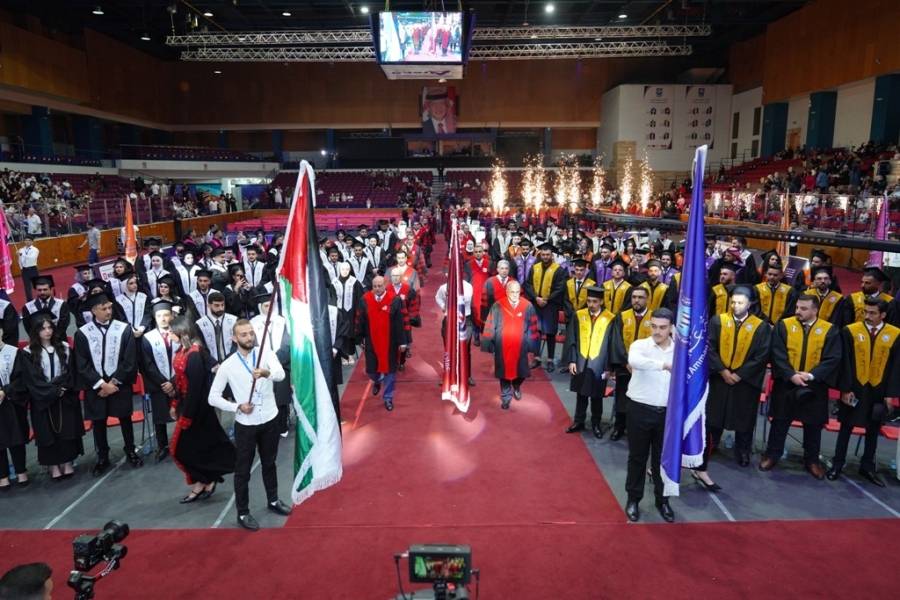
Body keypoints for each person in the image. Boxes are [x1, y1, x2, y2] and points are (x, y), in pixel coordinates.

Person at [208, 319, 292, 530]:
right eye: (243, 334)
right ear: (234, 338)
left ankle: (273, 499)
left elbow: (280, 374)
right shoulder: (228, 365)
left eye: (251, 333)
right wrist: (237, 406)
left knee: (269, 463)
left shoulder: (266, 353)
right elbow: (213, 397)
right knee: (243, 470)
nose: (249, 337)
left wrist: (266, 373)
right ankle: (243, 512)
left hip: (270, 418)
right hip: (246, 424)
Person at [760, 295, 841, 479]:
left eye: (803, 309)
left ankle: (812, 460)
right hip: (786, 383)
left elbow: (833, 358)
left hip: (815, 386)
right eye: (797, 307)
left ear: (815, 310)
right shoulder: (784, 325)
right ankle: (772, 454)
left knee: (813, 425)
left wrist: (811, 375)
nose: (798, 311)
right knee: (780, 421)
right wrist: (791, 375)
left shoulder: (829, 330)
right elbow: (777, 353)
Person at [826, 298, 900, 486]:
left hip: (879, 390)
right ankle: (837, 463)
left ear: (883, 315)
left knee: (873, 430)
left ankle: (867, 467)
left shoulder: (895, 334)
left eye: (872, 313)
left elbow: (896, 367)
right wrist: (845, 389)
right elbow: (844, 362)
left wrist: (890, 394)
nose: (867, 316)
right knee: (846, 428)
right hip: (855, 388)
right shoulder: (850, 331)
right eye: (866, 312)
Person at [702, 287, 770, 474]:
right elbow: (709, 347)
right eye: (733, 302)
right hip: (719, 377)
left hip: (745, 381)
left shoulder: (761, 326)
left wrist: (739, 375)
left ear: (749, 304)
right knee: (714, 415)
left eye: (740, 303)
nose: (735, 306)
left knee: (744, 417)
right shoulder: (718, 321)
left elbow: (762, 356)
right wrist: (723, 371)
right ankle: (710, 445)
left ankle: (743, 450)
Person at [168, 315, 235, 504]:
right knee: (195, 448)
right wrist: (175, 404)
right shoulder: (182, 351)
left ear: (181, 331)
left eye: (172, 331)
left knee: (183, 449)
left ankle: (204, 480)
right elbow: (180, 382)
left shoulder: (195, 354)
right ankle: (205, 480)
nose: (169, 334)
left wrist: (187, 415)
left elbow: (195, 388)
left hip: (198, 410)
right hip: (187, 405)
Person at [74, 292, 142, 475]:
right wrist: (101, 384)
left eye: (110, 307)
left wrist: (113, 382)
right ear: (94, 310)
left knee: (125, 418)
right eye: (103, 308)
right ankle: (102, 456)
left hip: (119, 383)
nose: (108, 311)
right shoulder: (83, 333)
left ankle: (130, 450)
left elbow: (129, 360)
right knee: (99, 421)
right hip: (96, 387)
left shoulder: (123, 329)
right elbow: (82, 364)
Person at [623, 308, 676, 524]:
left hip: (668, 414)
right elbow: (635, 361)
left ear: (671, 328)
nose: (657, 331)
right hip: (639, 409)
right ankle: (633, 499)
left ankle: (662, 501)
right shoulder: (640, 346)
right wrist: (664, 365)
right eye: (653, 326)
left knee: (662, 461)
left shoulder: (680, 351)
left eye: (662, 327)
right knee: (637, 457)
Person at [21, 315, 84, 481]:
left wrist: (62, 388)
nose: (47, 331)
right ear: (36, 331)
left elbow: (71, 372)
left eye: (50, 327)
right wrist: (54, 390)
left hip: (64, 397)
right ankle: (53, 465)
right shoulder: (28, 353)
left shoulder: (64, 347)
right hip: (43, 400)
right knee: (47, 432)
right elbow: (32, 379)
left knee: (67, 429)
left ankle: (67, 462)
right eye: (43, 328)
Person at [564, 286, 614, 438]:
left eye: (595, 301)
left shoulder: (610, 318)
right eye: (589, 301)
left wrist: (609, 368)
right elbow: (572, 338)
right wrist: (572, 360)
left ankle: (596, 424)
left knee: (597, 396)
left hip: (599, 363)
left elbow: (612, 345)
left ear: (601, 302)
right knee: (581, 393)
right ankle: (578, 421)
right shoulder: (579, 315)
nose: (591, 304)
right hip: (581, 361)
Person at [481, 280, 540, 409]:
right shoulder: (498, 305)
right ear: (507, 292)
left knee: (522, 371)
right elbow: (491, 324)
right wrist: (488, 343)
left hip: (521, 345)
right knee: (503, 372)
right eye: (512, 292)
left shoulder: (527, 306)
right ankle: (506, 397)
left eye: (517, 292)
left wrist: (533, 346)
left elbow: (533, 327)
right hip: (502, 345)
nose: (514, 295)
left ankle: (517, 384)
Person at [357, 276, 409, 411]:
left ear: (385, 285)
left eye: (380, 286)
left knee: (390, 371)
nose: (377, 289)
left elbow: (399, 323)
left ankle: (388, 397)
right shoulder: (365, 300)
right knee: (371, 371)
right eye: (374, 286)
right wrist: (359, 338)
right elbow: (361, 320)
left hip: (390, 342)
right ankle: (378, 380)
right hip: (371, 341)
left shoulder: (394, 300)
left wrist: (402, 342)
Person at [608, 287, 653, 441]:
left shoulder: (654, 318)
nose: (636, 300)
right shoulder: (622, 316)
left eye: (640, 297)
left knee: (641, 401)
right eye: (634, 297)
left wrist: (642, 364)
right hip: (625, 367)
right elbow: (617, 341)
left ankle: (637, 430)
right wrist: (627, 362)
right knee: (622, 398)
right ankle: (619, 427)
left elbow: (655, 344)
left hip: (645, 369)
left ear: (647, 299)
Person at [140, 301, 178, 462]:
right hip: (158, 385)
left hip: (178, 382)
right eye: (159, 315)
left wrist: (173, 382)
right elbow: (147, 364)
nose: (163, 318)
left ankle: (185, 442)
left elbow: (185, 358)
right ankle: (163, 446)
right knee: (160, 416)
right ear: (155, 318)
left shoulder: (179, 334)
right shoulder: (148, 338)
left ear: (172, 316)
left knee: (183, 413)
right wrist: (164, 383)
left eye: (166, 315)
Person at [250, 293, 292, 437]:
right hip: (262, 367)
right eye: (265, 306)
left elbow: (287, 343)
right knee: (266, 397)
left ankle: (283, 425)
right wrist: (266, 363)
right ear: (260, 307)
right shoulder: (253, 323)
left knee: (281, 398)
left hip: (281, 364)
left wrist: (275, 361)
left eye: (270, 305)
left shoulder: (282, 321)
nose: (269, 308)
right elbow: (254, 345)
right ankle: (268, 427)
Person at [524, 243, 567, 371]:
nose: (545, 257)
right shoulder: (535, 268)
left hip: (551, 305)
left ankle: (550, 360)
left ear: (552, 255)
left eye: (548, 254)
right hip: (536, 303)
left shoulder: (558, 270)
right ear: (540, 255)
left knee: (550, 333)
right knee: (536, 332)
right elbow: (528, 284)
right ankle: (536, 357)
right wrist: (535, 297)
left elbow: (560, 288)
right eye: (543, 254)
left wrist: (547, 299)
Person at [0, 324, 28, 490]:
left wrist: (5, 391)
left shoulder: (14, 352)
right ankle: (2, 475)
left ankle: (21, 471)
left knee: (16, 437)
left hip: (12, 401)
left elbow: (21, 378)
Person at [435, 275, 475, 387]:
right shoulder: (444, 287)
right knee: (448, 349)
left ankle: (467, 376)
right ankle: (447, 375)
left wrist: (453, 298)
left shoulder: (468, 286)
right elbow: (438, 297)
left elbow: (467, 300)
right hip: (449, 319)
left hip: (465, 319)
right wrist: (443, 305)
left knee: (465, 348)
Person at [21, 276, 71, 341]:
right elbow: (28, 327)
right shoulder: (28, 307)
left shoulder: (61, 304)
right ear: (36, 290)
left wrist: (53, 339)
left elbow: (64, 324)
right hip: (38, 341)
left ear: (50, 289)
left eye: (45, 289)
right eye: (39, 290)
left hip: (59, 340)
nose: (42, 292)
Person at [197, 292, 237, 365]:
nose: (221, 308)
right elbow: (201, 347)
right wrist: (213, 363)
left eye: (222, 305)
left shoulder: (234, 320)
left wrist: (229, 360)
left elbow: (237, 343)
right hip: (211, 364)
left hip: (232, 361)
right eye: (217, 305)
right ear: (209, 305)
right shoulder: (200, 324)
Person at [16, 235, 40, 302]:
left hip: (33, 269)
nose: (27, 242)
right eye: (26, 240)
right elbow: (19, 260)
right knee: (27, 287)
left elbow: (32, 258)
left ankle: (40, 299)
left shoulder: (35, 250)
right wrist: (21, 267)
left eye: (29, 240)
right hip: (25, 270)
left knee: (37, 286)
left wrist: (22, 254)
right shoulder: (21, 250)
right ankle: (29, 301)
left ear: (32, 242)